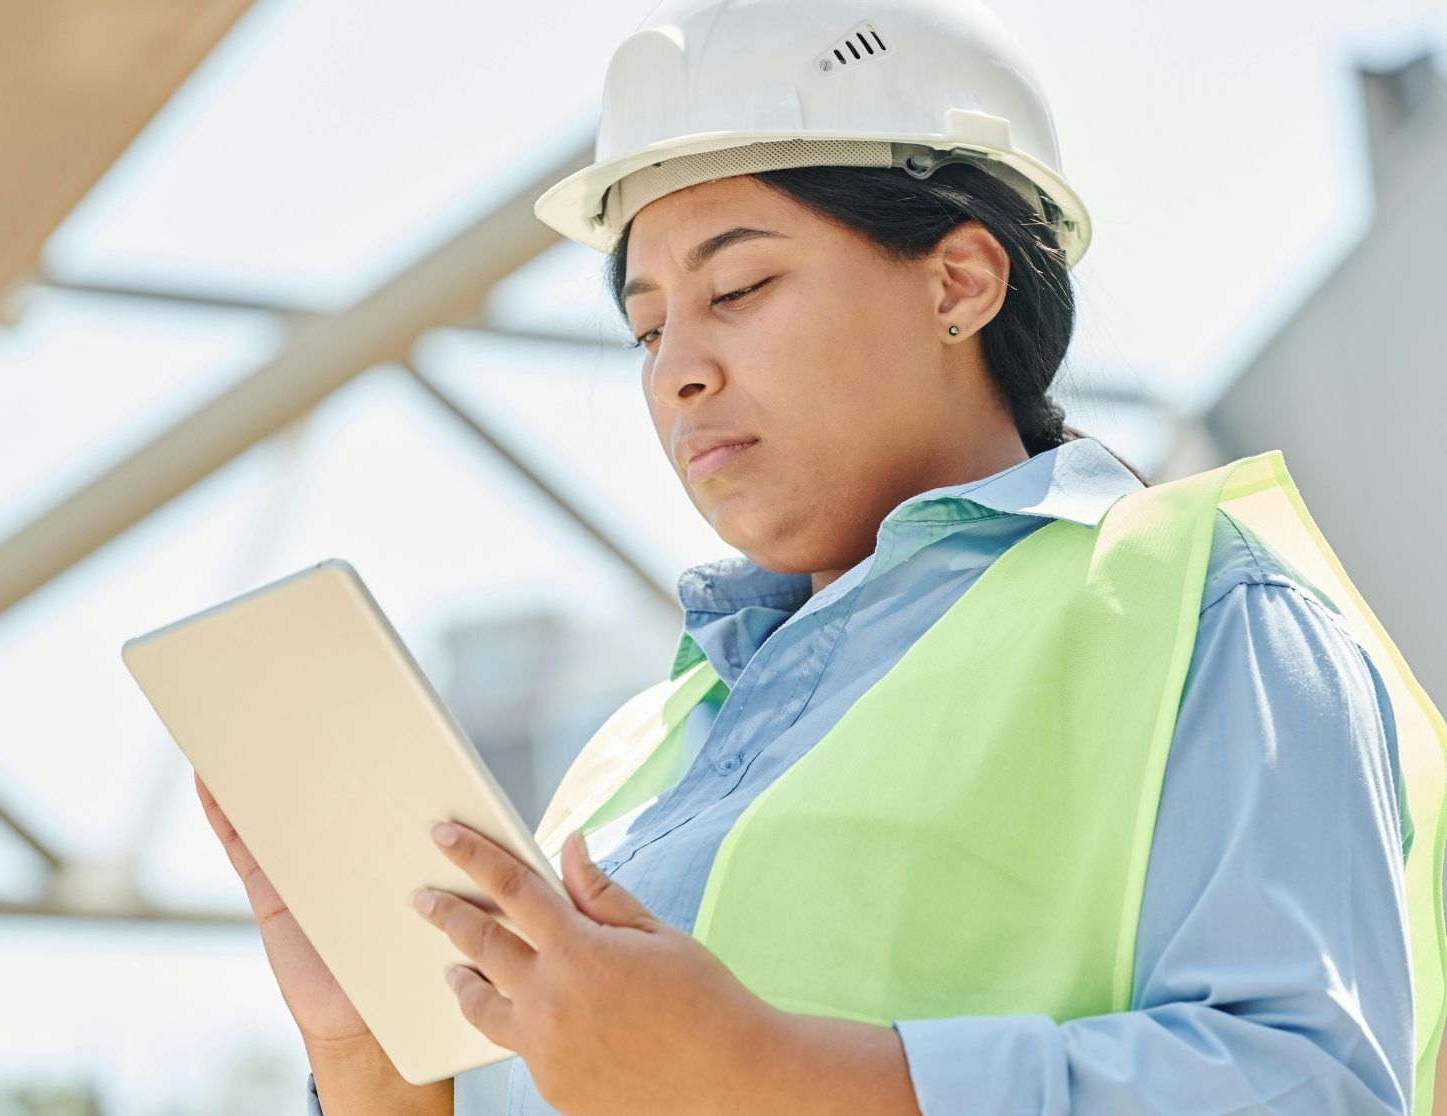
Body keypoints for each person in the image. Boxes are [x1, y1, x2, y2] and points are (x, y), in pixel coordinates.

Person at [196, 1, 1447, 1113]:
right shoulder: (626, 765)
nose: (678, 368)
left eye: (734, 289)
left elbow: (1315, 1087)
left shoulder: (1203, 608)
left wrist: (765, 1080)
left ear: (958, 280)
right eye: (645, 328)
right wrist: (373, 1066)